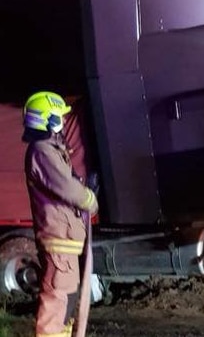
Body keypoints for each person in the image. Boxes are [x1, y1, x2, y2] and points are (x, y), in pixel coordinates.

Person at [22, 91, 98, 337]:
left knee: (66, 305)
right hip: (59, 243)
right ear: (47, 120)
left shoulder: (52, 151)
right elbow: (67, 188)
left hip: (66, 242)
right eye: (58, 118)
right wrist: (89, 198)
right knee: (56, 304)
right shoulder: (42, 151)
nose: (63, 123)